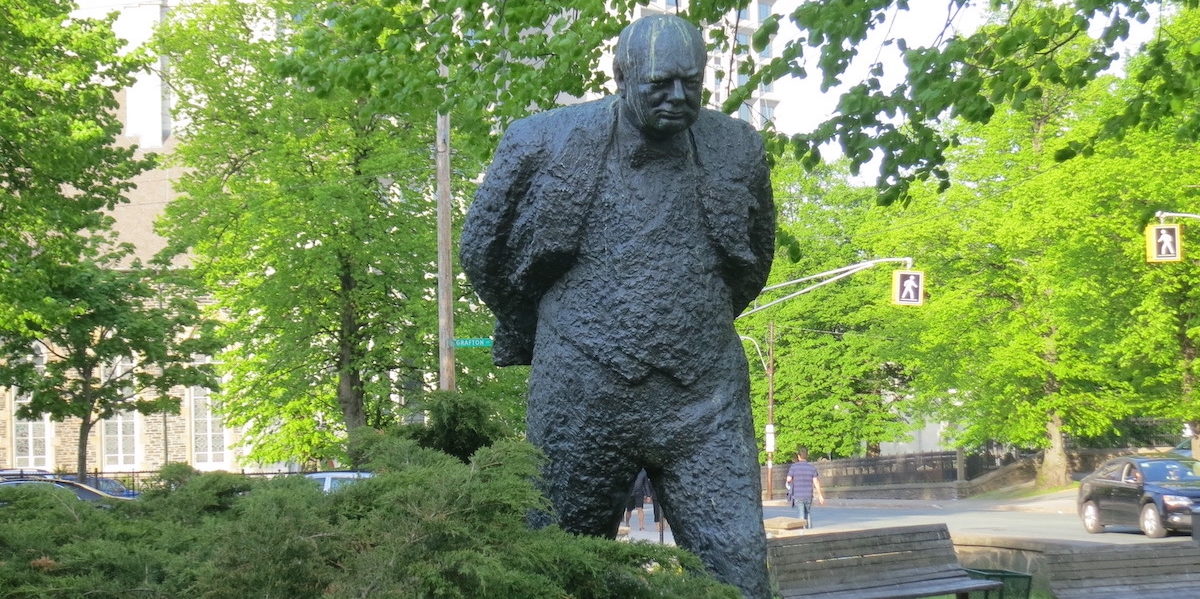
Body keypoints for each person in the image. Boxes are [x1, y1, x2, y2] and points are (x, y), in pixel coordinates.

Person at [460, 14, 774, 599]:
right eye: (660, 83)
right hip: (580, 394)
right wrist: (547, 330)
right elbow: (483, 251)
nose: (678, 97)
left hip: (704, 399)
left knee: (739, 571)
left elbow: (753, 261)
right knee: (556, 568)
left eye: (691, 82)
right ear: (622, 76)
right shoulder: (541, 140)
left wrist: (691, 321)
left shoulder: (739, 147)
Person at [786, 447, 825, 527]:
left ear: (798, 456)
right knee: (808, 512)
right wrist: (820, 495)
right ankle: (809, 530)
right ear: (807, 455)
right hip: (808, 494)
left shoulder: (794, 467)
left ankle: (802, 532)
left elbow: (788, 479)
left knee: (801, 513)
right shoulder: (812, 468)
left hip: (798, 494)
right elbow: (816, 482)